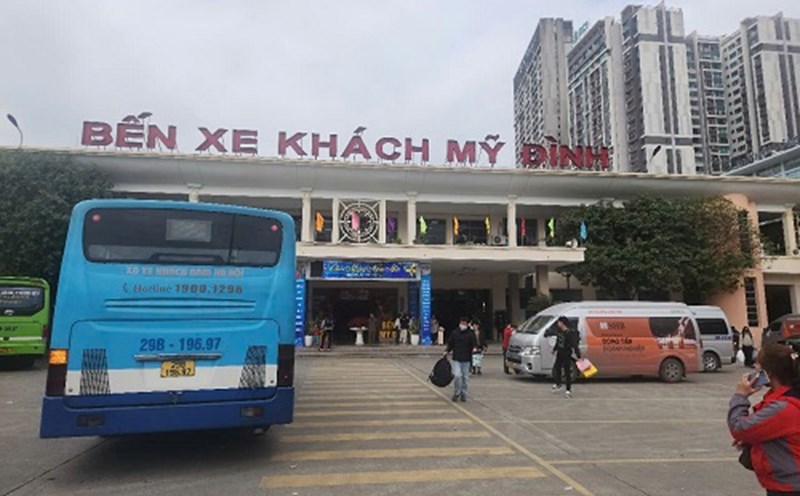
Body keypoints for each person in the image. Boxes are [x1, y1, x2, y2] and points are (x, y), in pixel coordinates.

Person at [727, 343, 800, 495]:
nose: (754, 370)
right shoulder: (785, 399)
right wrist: (752, 438)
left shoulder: (783, 407)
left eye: (757, 368)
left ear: (768, 374)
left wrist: (740, 395)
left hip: (790, 488)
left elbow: (739, 427)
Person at [444, 317, 478, 402]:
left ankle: (463, 393)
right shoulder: (455, 333)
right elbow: (450, 343)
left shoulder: (470, 333)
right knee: (457, 375)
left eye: (464, 323)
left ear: (467, 324)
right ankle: (456, 392)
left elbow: (474, 344)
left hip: (466, 359)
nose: (463, 325)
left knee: (465, 378)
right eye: (462, 323)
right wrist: (447, 351)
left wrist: (475, 348)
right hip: (457, 358)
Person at [548, 316, 582, 398]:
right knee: (557, 367)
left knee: (567, 371)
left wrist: (578, 355)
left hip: (566, 353)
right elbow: (558, 341)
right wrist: (554, 349)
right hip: (560, 352)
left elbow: (574, 345)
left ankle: (568, 390)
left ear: (562, 323)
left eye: (559, 322)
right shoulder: (559, 331)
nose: (557, 323)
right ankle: (558, 383)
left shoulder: (568, 333)